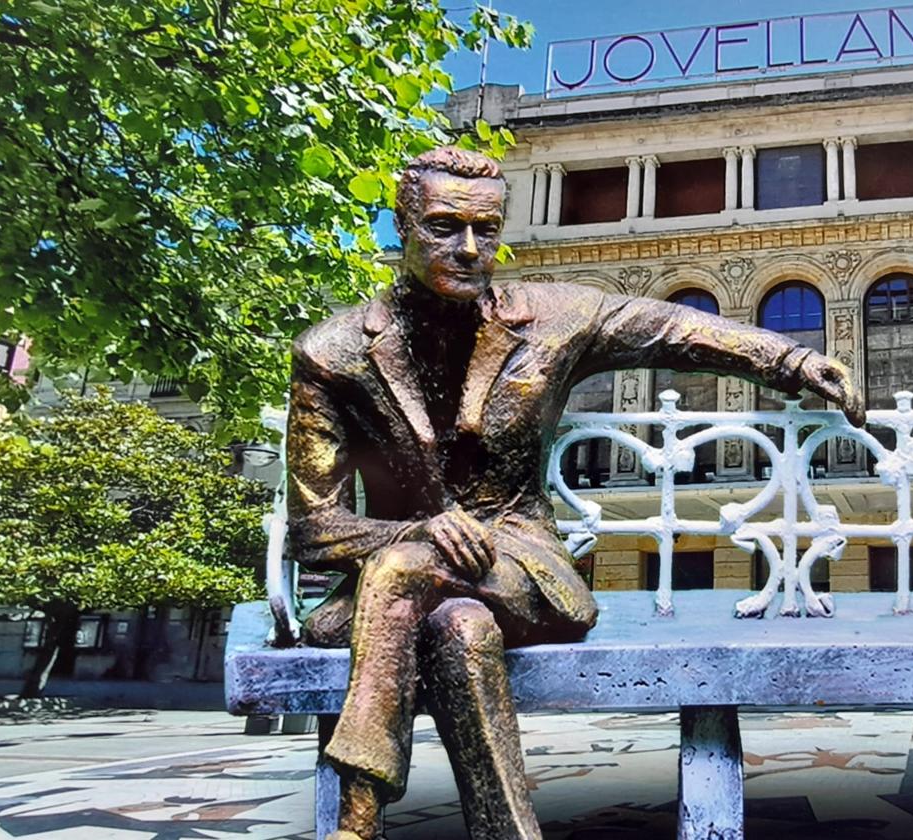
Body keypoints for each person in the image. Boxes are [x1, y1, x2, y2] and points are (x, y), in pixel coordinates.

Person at [286, 146, 865, 840]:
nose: (470, 249)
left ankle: (359, 818)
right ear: (402, 227)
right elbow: (313, 528)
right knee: (458, 627)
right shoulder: (334, 352)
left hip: (522, 565)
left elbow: (674, 329)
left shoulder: (554, 317)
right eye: (444, 226)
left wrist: (793, 358)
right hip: (409, 589)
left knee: (408, 574)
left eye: (488, 229)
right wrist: (416, 531)